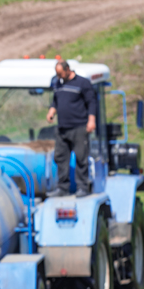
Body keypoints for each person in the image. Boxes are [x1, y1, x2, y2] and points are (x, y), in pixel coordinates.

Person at [45, 59, 97, 197]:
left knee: (81, 158)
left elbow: (91, 102)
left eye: (61, 74)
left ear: (68, 70)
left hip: (79, 127)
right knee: (61, 158)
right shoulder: (57, 83)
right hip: (62, 128)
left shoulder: (82, 83)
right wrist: (52, 110)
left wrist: (91, 120)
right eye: (57, 74)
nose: (59, 77)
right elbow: (56, 100)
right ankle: (62, 188)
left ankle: (82, 188)